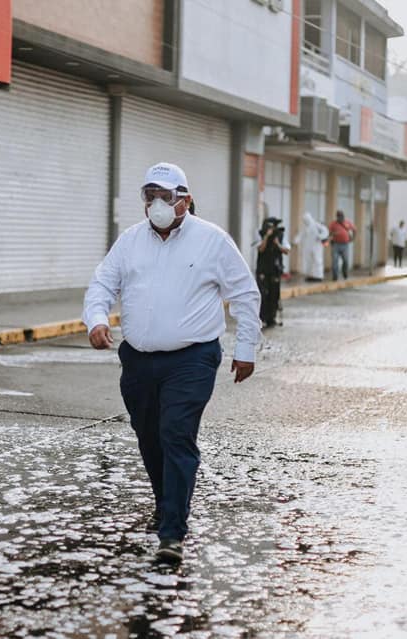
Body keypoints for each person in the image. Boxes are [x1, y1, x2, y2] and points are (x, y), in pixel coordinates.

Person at [83, 162, 261, 564]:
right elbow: (102, 284)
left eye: (166, 196)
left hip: (192, 358)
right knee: (149, 437)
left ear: (186, 199)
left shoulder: (212, 241)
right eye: (151, 196)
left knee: (176, 434)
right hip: (139, 360)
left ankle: (172, 533)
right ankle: (167, 502)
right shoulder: (130, 241)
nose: (158, 204)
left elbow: (245, 295)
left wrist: (245, 348)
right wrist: (96, 320)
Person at [256, 217, 290, 328]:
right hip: (263, 270)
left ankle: (272, 318)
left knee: (274, 294)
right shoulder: (260, 234)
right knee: (262, 294)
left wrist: (277, 244)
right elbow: (261, 248)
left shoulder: (280, 236)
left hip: (275, 270)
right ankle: (262, 317)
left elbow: (286, 251)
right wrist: (266, 236)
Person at [294, 211, 329, 282]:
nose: (305, 221)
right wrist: (295, 241)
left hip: (317, 246)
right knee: (309, 261)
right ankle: (311, 275)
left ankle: (319, 276)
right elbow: (300, 235)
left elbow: (325, 231)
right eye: (304, 220)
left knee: (317, 260)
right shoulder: (305, 227)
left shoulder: (317, 225)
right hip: (308, 246)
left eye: (306, 219)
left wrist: (320, 237)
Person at [327, 210, 356, 281]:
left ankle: (345, 273)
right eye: (339, 216)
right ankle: (335, 276)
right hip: (335, 244)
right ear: (337, 217)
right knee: (335, 261)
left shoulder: (347, 222)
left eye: (341, 216)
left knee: (346, 260)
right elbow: (329, 233)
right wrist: (333, 234)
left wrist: (353, 238)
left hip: (345, 245)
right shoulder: (333, 224)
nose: (340, 218)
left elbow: (354, 230)